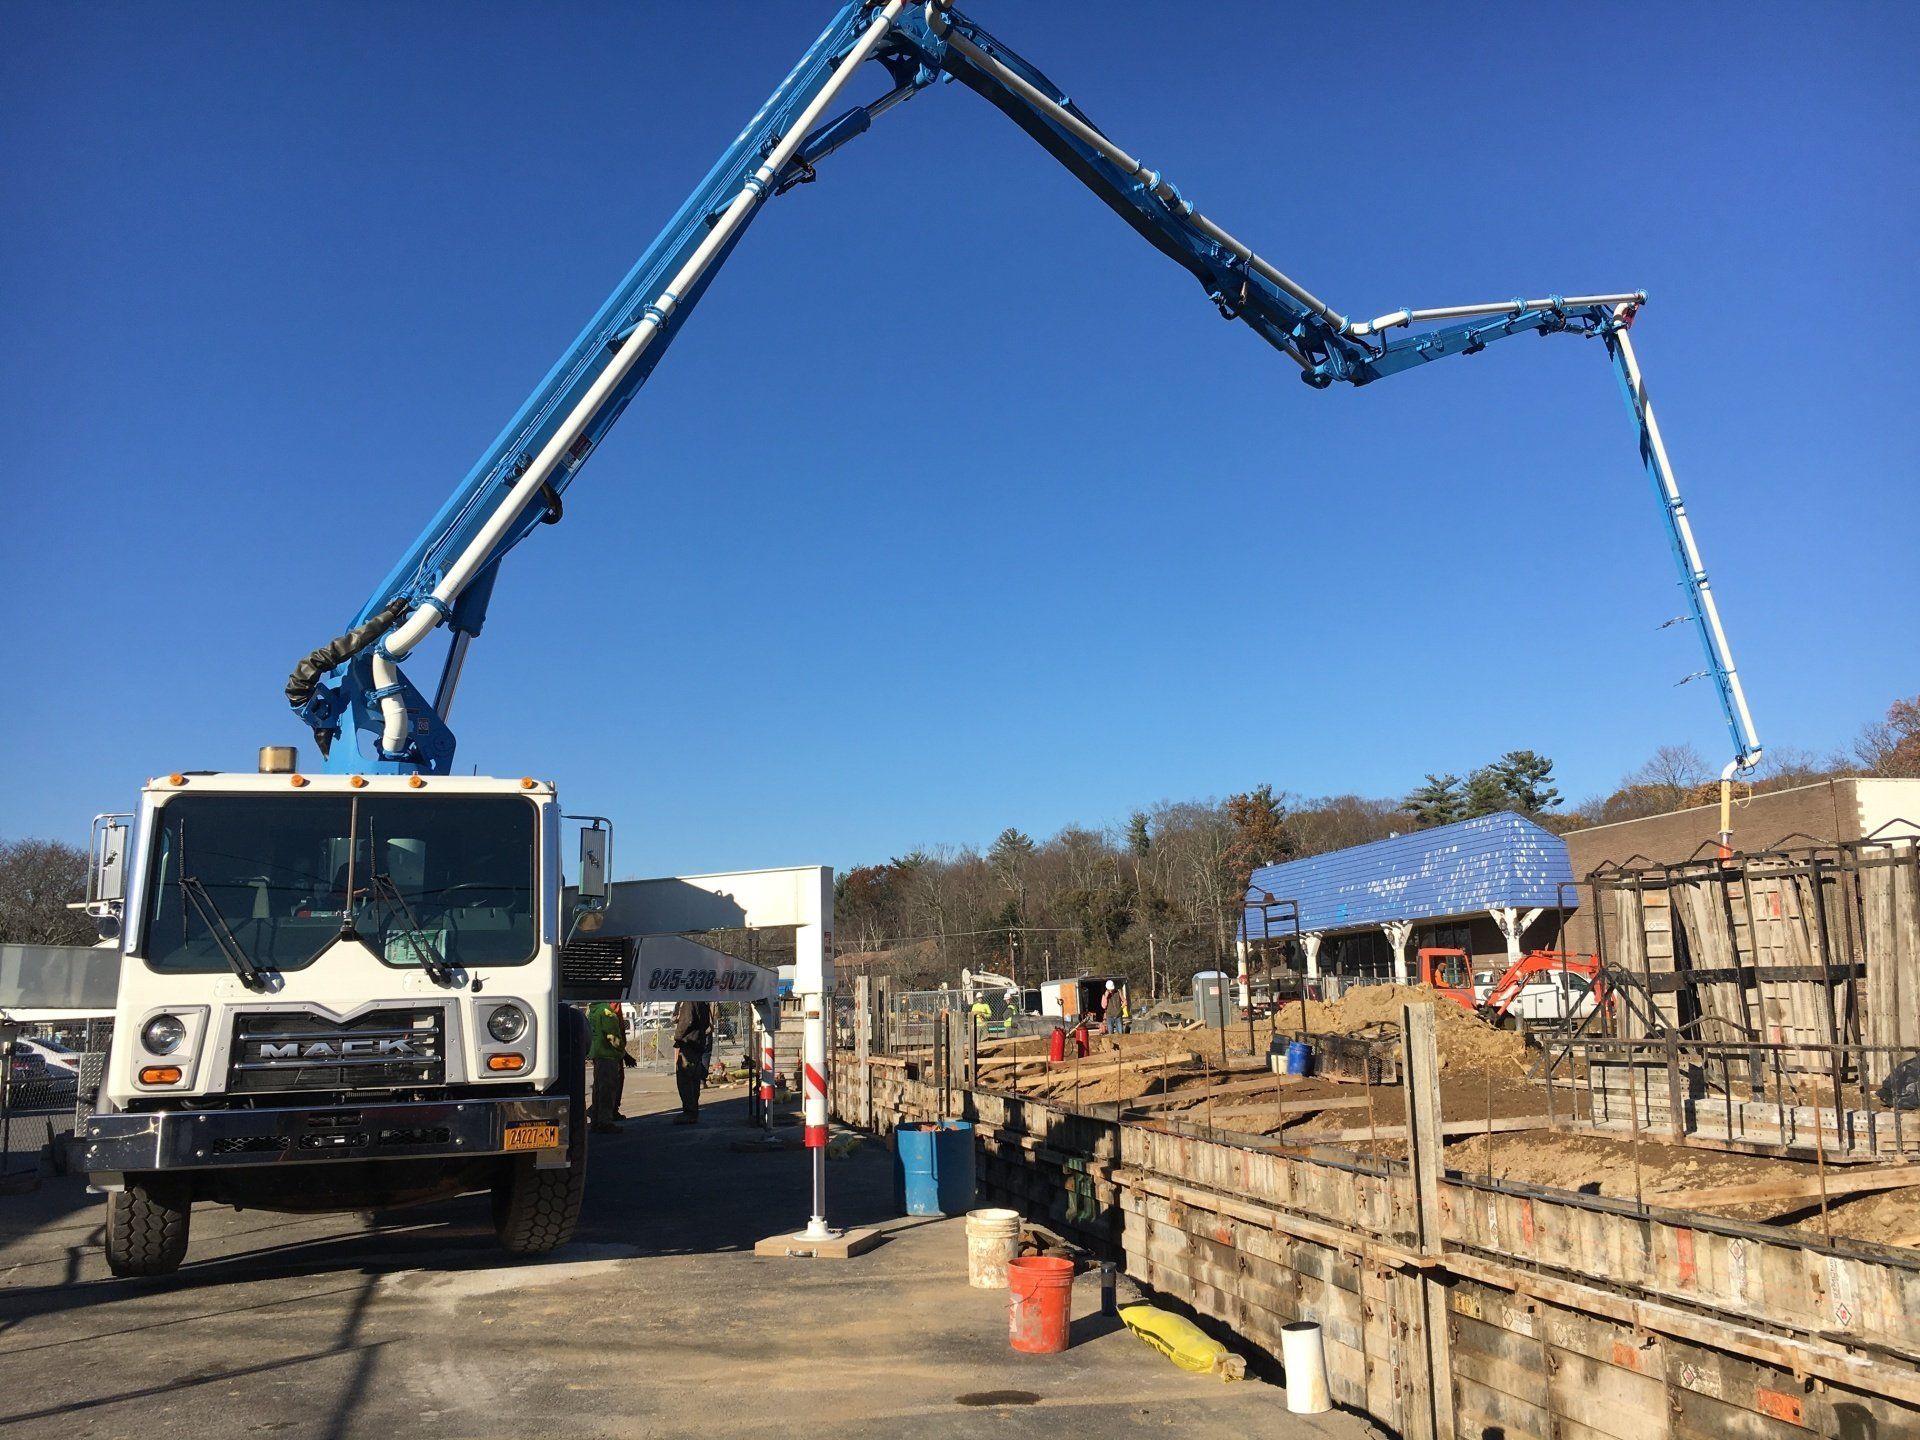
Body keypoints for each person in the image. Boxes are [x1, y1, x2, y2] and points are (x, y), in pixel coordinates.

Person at [586, 1001, 633, 1134]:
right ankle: (605, 1122)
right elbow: (612, 1037)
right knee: (607, 1090)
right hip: (608, 1055)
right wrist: (622, 1050)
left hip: (598, 1054)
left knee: (598, 1089)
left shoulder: (593, 1010)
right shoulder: (607, 1013)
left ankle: (596, 1121)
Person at [672, 1000, 713, 1125]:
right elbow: (706, 1022)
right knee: (694, 1080)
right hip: (698, 1043)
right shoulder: (702, 1002)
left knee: (685, 1079)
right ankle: (693, 1110)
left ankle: (689, 1112)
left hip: (689, 1044)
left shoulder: (690, 1002)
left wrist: (677, 1036)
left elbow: (687, 1021)